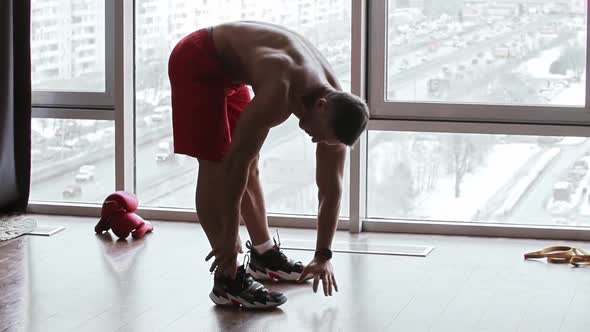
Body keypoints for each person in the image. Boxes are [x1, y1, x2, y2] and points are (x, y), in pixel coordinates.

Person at [168, 21, 369, 309]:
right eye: (321, 136)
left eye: (325, 140)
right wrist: (228, 235)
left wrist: (323, 255)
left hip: (231, 73)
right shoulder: (279, 91)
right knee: (216, 163)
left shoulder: (339, 109)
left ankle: (263, 256)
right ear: (321, 106)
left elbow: (331, 190)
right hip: (197, 60)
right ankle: (229, 279)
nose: (317, 142)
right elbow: (234, 165)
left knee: (252, 165)